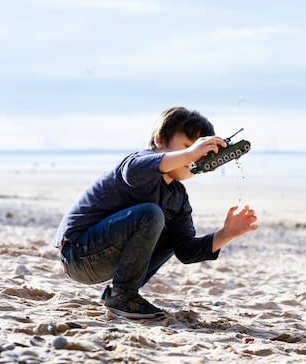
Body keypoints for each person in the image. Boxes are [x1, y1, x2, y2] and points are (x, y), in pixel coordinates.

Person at [52, 107, 258, 319]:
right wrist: (189, 154)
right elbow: (133, 173)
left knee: (167, 229)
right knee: (151, 214)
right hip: (78, 254)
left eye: (201, 153)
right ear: (160, 140)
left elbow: (185, 250)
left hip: (107, 261)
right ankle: (124, 296)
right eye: (188, 146)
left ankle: (117, 293)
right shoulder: (137, 162)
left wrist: (227, 233)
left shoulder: (178, 198)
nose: (195, 156)